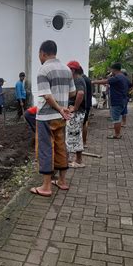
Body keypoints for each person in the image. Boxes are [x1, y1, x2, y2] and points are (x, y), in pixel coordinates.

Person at [30, 40, 76, 197]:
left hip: (46, 116)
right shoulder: (66, 70)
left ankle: (46, 186)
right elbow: (72, 93)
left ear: (43, 53)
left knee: (45, 147)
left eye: (39, 54)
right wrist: (62, 107)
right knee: (61, 146)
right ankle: (62, 181)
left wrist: (57, 107)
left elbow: (47, 96)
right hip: (61, 117)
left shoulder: (43, 70)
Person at [92, 62, 129, 139]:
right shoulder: (124, 77)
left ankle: (117, 134)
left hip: (117, 100)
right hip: (123, 100)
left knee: (116, 119)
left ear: (114, 69)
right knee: (118, 117)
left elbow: (105, 81)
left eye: (111, 69)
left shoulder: (117, 77)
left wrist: (93, 82)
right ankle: (117, 133)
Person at [66, 61, 87, 168]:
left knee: (74, 136)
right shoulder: (79, 79)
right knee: (76, 136)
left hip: (77, 112)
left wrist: (75, 107)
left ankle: (78, 161)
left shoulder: (77, 79)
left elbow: (80, 93)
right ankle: (75, 159)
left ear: (73, 70)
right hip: (79, 112)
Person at [81, 70, 92, 148]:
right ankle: (84, 142)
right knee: (85, 122)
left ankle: (82, 142)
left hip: (82, 104)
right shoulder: (88, 79)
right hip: (87, 104)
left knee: (82, 124)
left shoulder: (81, 80)